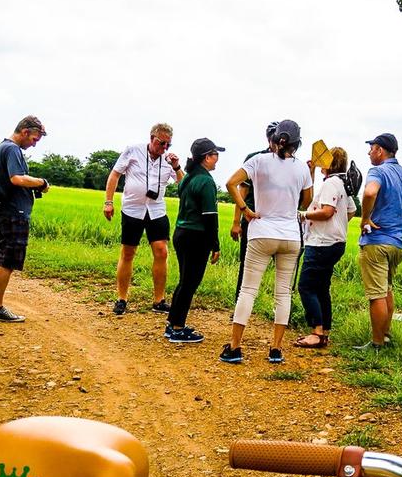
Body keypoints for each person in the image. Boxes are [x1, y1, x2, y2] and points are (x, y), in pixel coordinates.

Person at [220, 119, 313, 364]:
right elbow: (305, 203)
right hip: (291, 236)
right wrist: (309, 174)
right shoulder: (302, 168)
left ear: (273, 139)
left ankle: (235, 347)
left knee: (248, 290)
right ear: (297, 143)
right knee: (283, 294)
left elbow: (231, 183)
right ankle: (276, 349)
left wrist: (245, 210)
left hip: (262, 232)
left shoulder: (258, 161)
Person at [357, 133, 402, 350]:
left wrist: (365, 219)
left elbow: (370, 192)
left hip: (377, 242)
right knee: (387, 289)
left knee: (376, 295)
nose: (369, 152)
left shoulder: (377, 171)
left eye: (371, 148)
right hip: (398, 244)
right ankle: (386, 335)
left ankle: (377, 342)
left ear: (380, 150)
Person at [104, 123, 183, 316]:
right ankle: (122, 298)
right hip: (132, 209)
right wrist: (108, 201)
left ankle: (159, 300)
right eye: (161, 143)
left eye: (168, 145)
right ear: (151, 138)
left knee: (162, 252)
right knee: (128, 252)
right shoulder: (133, 151)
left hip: (156, 210)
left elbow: (183, 184)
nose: (164, 148)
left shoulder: (169, 159)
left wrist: (177, 166)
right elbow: (115, 174)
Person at [0, 116, 50, 323]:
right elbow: (17, 178)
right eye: (34, 139)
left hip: (2, 211)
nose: (34, 143)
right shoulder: (13, 150)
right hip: (14, 213)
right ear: (25, 131)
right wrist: (41, 183)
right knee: (7, 261)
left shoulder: (2, 147)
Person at [294, 147, 357, 348]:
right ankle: (324, 332)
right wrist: (338, 224)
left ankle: (316, 331)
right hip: (336, 242)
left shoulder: (331, 183)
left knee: (306, 286)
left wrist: (304, 215)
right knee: (321, 288)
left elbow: (327, 211)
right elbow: (351, 211)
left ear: (331, 162)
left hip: (321, 242)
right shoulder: (343, 184)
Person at [164, 138, 225, 343]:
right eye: (215, 154)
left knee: (184, 281)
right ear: (206, 158)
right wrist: (214, 244)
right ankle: (178, 329)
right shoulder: (206, 181)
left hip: (181, 233)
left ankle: (173, 323)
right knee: (190, 283)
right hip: (196, 236)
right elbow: (210, 216)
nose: (217, 159)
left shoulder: (188, 178)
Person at [231, 122, 278, 302]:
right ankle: (240, 303)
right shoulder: (256, 158)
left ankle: (280, 308)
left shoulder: (290, 162)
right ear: (268, 139)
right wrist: (236, 222)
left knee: (282, 266)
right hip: (253, 217)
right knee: (247, 263)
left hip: (276, 220)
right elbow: (241, 190)